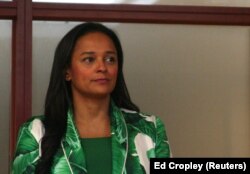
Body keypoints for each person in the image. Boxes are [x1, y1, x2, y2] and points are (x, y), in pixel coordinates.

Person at [12, 22, 171, 174]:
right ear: (67, 71)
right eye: (89, 59)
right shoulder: (37, 132)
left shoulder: (150, 129)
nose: (102, 67)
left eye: (110, 59)